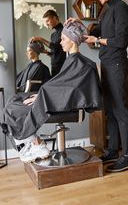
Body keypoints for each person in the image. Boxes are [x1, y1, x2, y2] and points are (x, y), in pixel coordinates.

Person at [2, 20, 102, 163]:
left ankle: (34, 144)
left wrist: (41, 96)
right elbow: (61, 85)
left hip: (65, 104)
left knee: (14, 109)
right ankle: (34, 143)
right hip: (56, 98)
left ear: (73, 40)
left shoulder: (82, 64)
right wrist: (40, 94)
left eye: (63, 39)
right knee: (14, 99)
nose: (60, 43)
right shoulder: (72, 60)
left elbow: (72, 90)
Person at [83, 0, 128, 173]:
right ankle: (113, 150)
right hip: (105, 64)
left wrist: (97, 41)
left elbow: (120, 41)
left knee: (121, 111)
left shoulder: (121, 8)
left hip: (116, 65)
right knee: (111, 111)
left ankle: (127, 157)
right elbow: (96, 32)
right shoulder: (106, 11)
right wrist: (79, 28)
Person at [29, 10, 66, 77]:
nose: (47, 24)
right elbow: (56, 52)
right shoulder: (53, 35)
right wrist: (48, 53)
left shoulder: (64, 31)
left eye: (47, 21)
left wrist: (40, 39)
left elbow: (55, 47)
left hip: (62, 67)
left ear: (54, 18)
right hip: (54, 67)